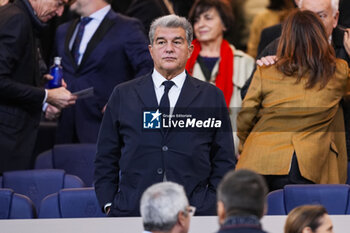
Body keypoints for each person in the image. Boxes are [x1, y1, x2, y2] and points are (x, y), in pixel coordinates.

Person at [94, 14, 235, 217]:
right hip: (133, 211)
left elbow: (224, 158)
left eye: (177, 42)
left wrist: (212, 203)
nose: (169, 48)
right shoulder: (123, 94)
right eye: (161, 42)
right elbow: (106, 156)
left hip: (195, 212)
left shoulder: (211, 95)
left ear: (190, 50)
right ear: (151, 50)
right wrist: (109, 203)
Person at [236, 10, 350, 191]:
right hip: (302, 166)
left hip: (256, 160)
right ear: (320, 36)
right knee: (296, 218)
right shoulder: (338, 72)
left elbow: (245, 115)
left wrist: (244, 146)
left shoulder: (267, 70)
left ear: (286, 38)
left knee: (255, 218)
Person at [52, 0, 153, 144]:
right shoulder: (62, 31)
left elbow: (148, 67)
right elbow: (55, 70)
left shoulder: (127, 27)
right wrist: (49, 102)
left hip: (104, 129)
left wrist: (124, 98)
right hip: (65, 130)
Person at [0, 0, 77, 173]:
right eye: (58, 3)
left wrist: (40, 81)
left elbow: (12, 73)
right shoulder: (17, 19)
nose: (59, 12)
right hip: (6, 142)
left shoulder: (22, 17)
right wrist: (46, 95)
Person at [186, 0, 254, 155]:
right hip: (189, 153)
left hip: (232, 152)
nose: (200, 24)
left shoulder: (245, 63)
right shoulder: (180, 62)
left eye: (208, 18)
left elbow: (252, 115)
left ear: (224, 24)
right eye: (196, 20)